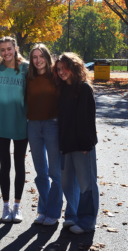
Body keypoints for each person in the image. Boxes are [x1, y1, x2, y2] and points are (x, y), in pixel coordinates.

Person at [53, 52, 99, 234]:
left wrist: (87, 145)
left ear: (74, 67)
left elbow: (88, 120)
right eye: (58, 69)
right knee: (67, 183)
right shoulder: (62, 89)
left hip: (82, 147)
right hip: (66, 145)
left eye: (64, 68)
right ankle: (74, 217)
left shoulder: (84, 88)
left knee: (87, 184)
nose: (61, 72)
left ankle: (88, 221)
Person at [0, 37, 28, 223]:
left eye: (9, 49)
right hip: (0, 124)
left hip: (21, 123)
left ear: (15, 48)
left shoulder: (26, 68)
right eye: (2, 50)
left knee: (19, 165)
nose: (6, 52)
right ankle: (5, 206)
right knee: (5, 165)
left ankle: (17, 205)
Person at [26, 44, 63, 225]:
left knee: (55, 172)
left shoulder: (56, 77)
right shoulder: (28, 77)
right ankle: (43, 209)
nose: (38, 60)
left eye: (41, 56)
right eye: (34, 57)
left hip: (52, 126)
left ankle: (54, 212)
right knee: (41, 171)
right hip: (33, 126)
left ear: (47, 58)